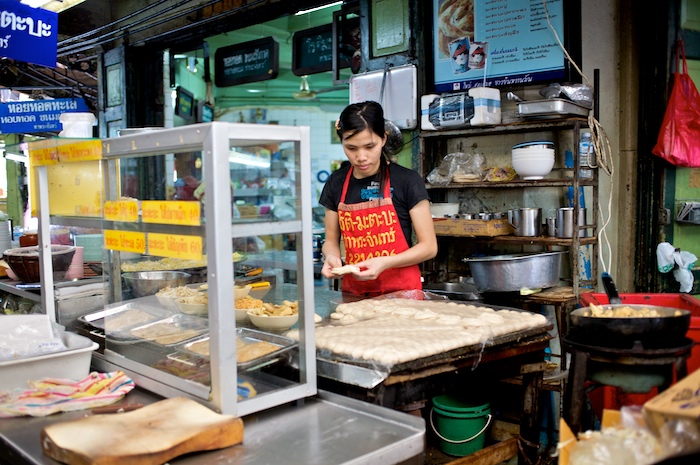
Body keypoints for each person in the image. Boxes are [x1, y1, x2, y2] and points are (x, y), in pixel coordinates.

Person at [319, 101, 437, 296]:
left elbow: (429, 247)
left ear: (383, 139)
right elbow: (331, 240)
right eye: (351, 148)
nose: (361, 157)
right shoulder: (336, 182)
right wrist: (331, 256)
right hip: (355, 294)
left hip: (403, 294)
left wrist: (386, 262)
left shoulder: (407, 180)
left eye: (369, 146)